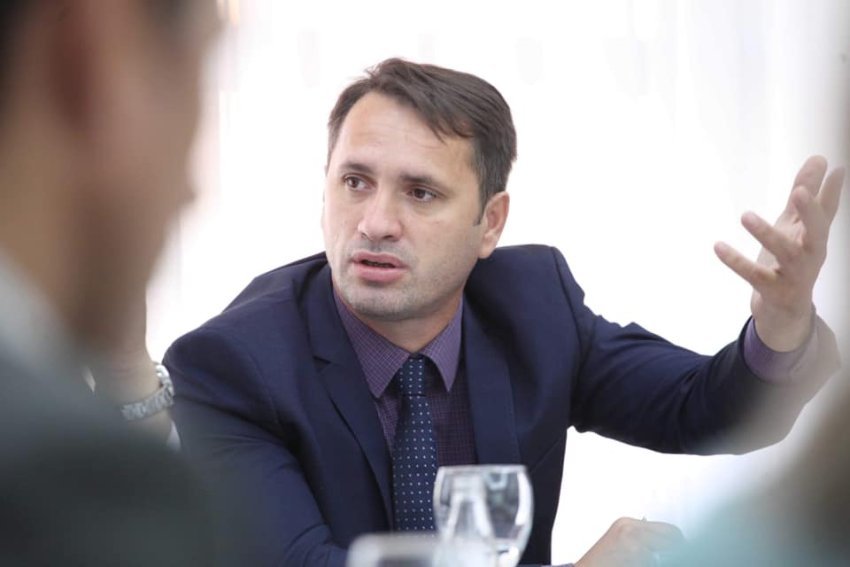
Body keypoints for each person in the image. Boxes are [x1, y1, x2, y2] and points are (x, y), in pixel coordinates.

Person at [165, 59, 843, 566]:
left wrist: (780, 325)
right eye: (355, 182)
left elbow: (707, 408)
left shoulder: (532, 306)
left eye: (420, 193)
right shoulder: (232, 368)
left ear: (490, 223)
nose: (375, 222)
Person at [0, 0, 220, 564]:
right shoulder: (65, 483)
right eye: (195, 74)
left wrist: (124, 364)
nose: (190, 190)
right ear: (93, 61)